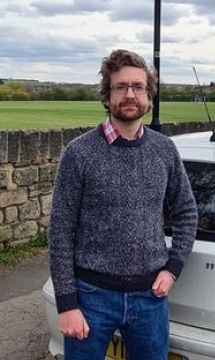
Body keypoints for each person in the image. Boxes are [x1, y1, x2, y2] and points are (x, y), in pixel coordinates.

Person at [48, 49, 198, 360]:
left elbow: (186, 212)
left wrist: (172, 269)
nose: (130, 94)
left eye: (138, 87)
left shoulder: (164, 150)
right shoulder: (79, 153)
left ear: (149, 96)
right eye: (120, 87)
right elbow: (60, 232)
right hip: (91, 298)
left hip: (150, 299)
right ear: (107, 95)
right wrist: (67, 304)